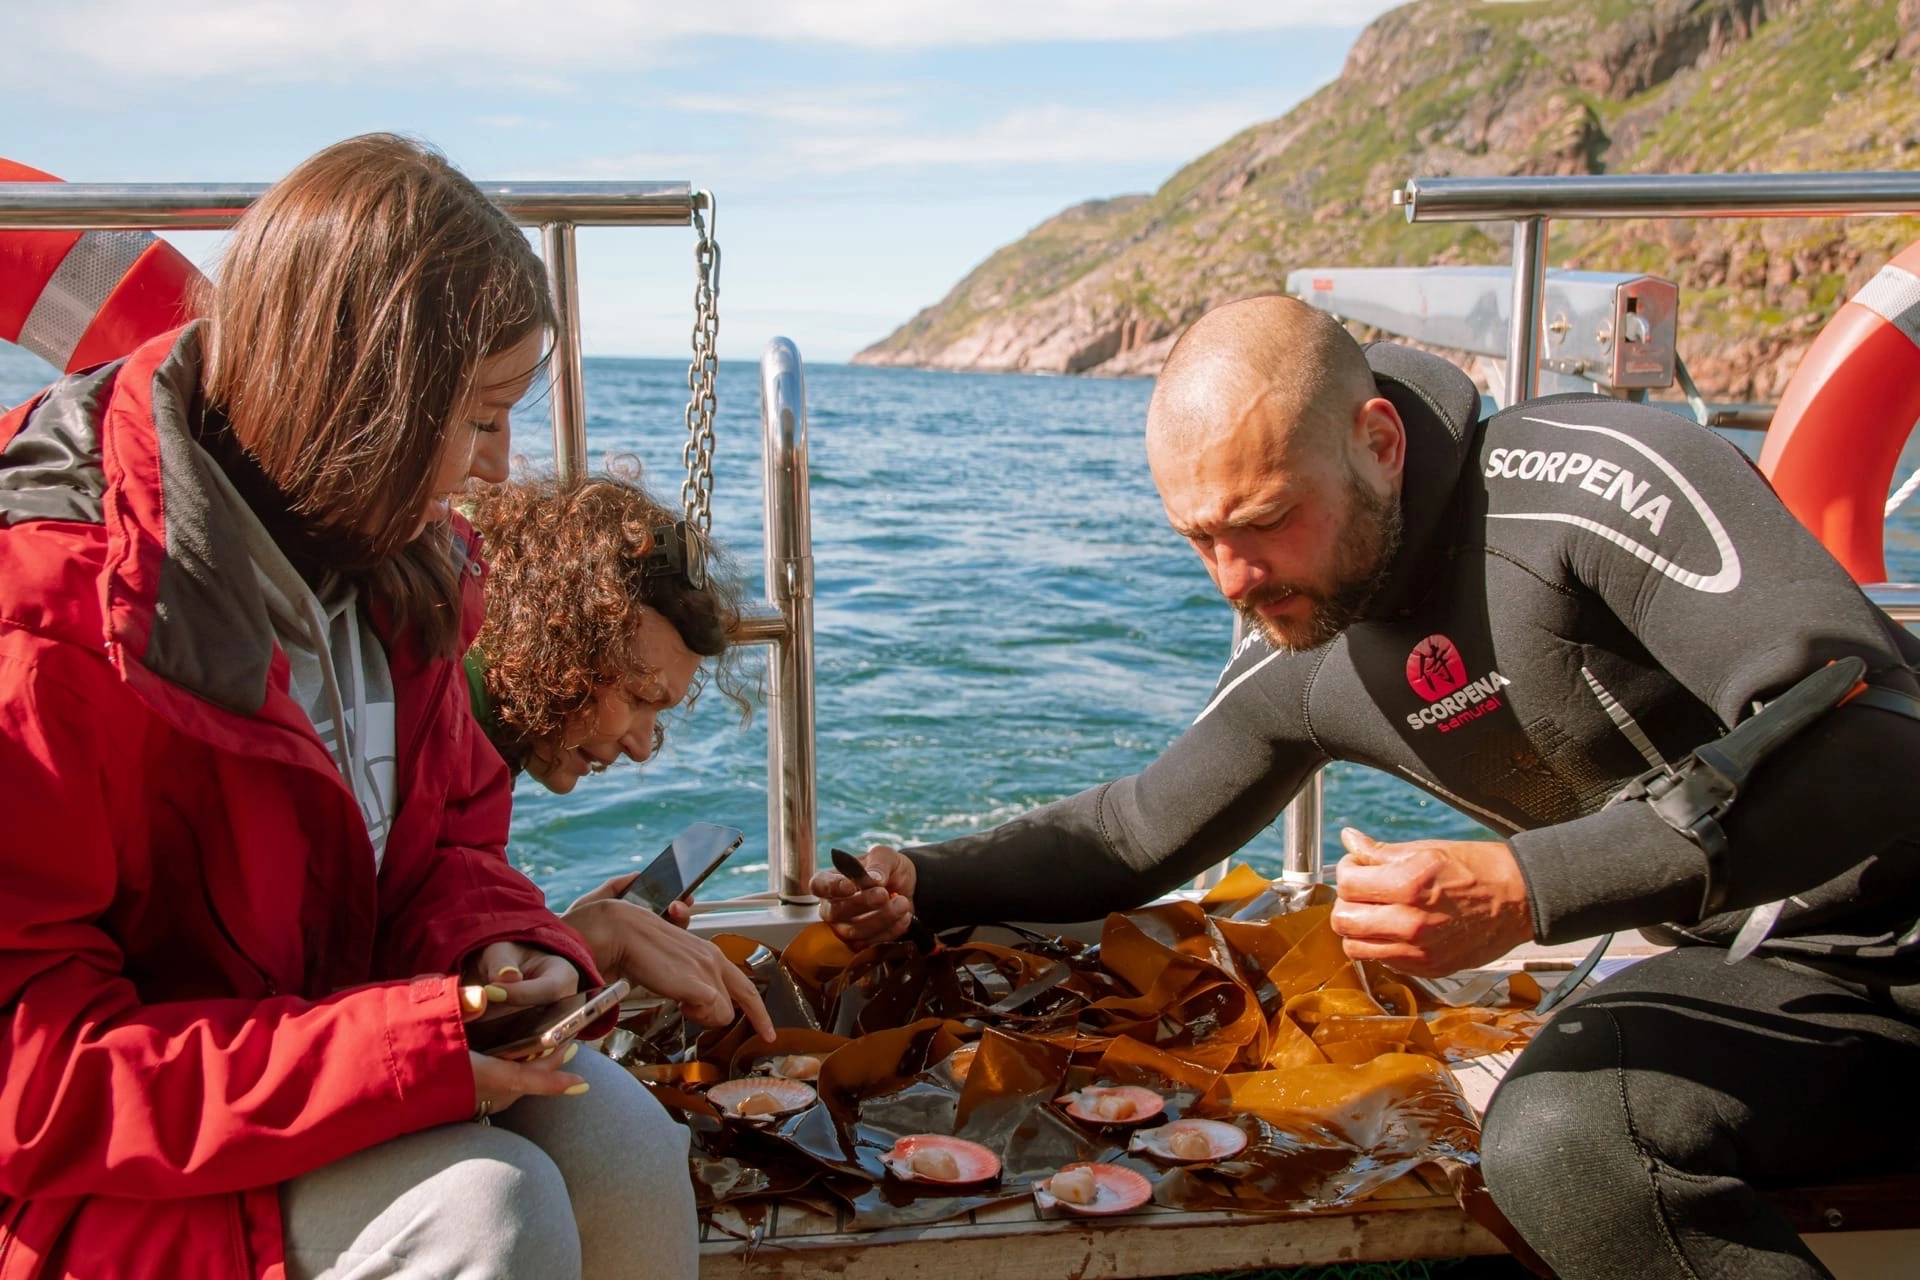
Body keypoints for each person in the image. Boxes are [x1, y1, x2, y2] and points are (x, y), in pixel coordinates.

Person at [814, 294, 1920, 1279]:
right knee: (1567, 1133)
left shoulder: (1586, 486)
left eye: (1260, 523)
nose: (1235, 581)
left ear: (1379, 442)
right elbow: (1141, 826)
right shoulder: (1303, 645)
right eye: (1198, 539)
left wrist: (1528, 885)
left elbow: (1875, 737)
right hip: (1788, 974)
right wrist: (924, 881)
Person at [0, 135, 697, 1280]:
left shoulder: (405, 572)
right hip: (93, 1190)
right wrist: (395, 1051)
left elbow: (443, 849)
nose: (495, 466)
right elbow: (35, 1077)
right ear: (359, 400)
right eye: (478, 417)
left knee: (619, 1140)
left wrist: (504, 945)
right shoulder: (52, 629)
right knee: (489, 1209)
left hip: (297, 1087)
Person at [464, 469, 774, 1041]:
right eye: (636, 697)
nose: (638, 747)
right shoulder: (441, 731)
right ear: (555, 645)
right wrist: (595, 937)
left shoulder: (484, 739)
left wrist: (558, 937)